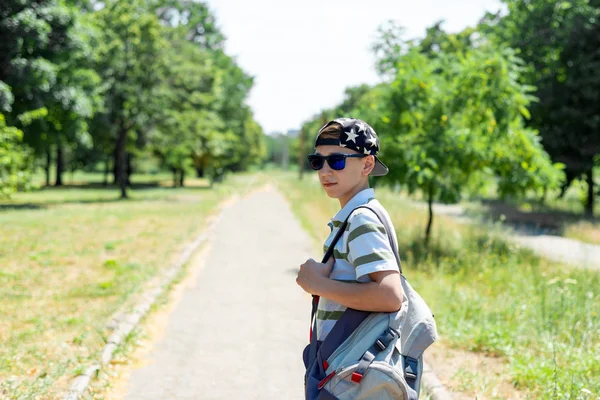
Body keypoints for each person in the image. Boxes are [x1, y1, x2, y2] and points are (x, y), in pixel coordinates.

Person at [296, 117, 405, 342]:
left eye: (337, 161)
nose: (324, 171)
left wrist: (318, 284)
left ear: (367, 164)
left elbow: (391, 295)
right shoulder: (357, 215)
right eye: (318, 162)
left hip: (353, 367)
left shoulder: (361, 219)